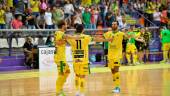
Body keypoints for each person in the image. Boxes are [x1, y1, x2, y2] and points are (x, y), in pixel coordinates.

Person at [103, 21, 126, 93]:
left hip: (117, 55)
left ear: (117, 25)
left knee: (116, 70)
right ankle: (116, 86)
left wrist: (135, 36)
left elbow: (128, 36)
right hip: (110, 55)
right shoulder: (108, 33)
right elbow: (102, 38)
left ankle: (118, 87)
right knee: (112, 71)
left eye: (115, 24)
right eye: (112, 24)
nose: (113, 25)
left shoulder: (121, 34)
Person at [54, 20, 70, 96]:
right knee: (61, 74)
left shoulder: (61, 33)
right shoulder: (59, 32)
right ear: (63, 26)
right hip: (59, 57)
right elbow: (57, 43)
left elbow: (61, 41)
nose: (67, 26)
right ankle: (58, 91)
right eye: (66, 25)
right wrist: (66, 40)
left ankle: (60, 88)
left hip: (62, 57)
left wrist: (66, 40)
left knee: (67, 71)